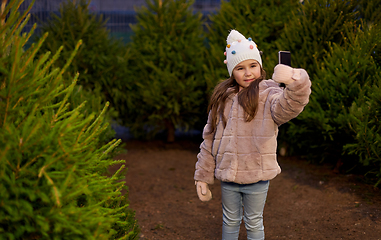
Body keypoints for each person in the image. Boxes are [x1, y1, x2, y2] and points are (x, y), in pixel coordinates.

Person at [194, 29, 311, 240]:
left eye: (253, 66)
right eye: (240, 68)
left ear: (260, 67)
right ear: (232, 71)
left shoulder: (270, 94)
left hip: (257, 177)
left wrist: (295, 82)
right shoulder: (222, 98)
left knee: (254, 222)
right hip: (228, 176)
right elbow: (209, 140)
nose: (248, 73)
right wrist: (202, 177)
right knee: (229, 220)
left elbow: (289, 107)